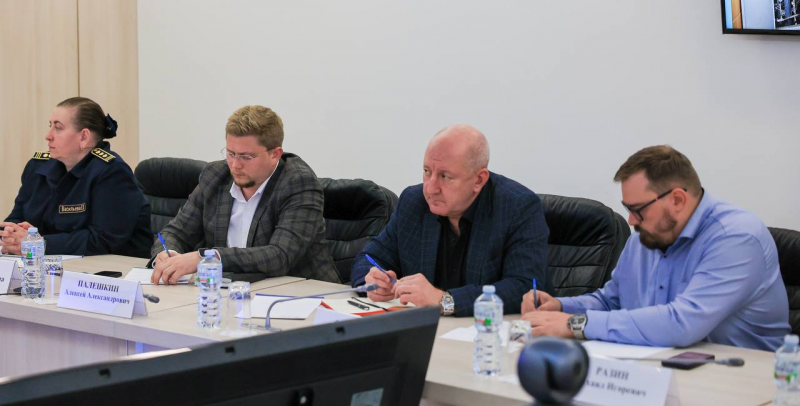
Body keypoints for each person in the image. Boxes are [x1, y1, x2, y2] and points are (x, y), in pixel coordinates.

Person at [522, 145, 790, 351]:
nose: (631, 220)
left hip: (745, 382)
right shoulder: (647, 235)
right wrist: (560, 306)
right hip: (663, 367)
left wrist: (576, 324)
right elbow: (611, 301)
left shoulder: (736, 238)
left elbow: (683, 323)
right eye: (628, 209)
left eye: (638, 209)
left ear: (677, 200)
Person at [350, 125, 549, 317]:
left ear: (479, 180)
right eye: (427, 171)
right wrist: (374, 280)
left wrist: (445, 300)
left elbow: (525, 288)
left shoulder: (517, 207)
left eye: (444, 176)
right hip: (426, 329)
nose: (430, 188)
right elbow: (369, 257)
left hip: (490, 331)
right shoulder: (414, 202)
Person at [150, 105, 339, 284]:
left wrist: (207, 258)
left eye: (246, 157)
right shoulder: (215, 176)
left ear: (275, 154)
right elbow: (175, 232)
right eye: (231, 153)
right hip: (231, 291)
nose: (235, 165)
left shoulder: (298, 184)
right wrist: (166, 255)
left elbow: (280, 256)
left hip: (304, 295)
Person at [1, 97, 152, 258]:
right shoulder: (37, 167)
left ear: (84, 137)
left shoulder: (112, 173)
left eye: (58, 128)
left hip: (109, 268)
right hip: (48, 264)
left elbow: (103, 239)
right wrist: (10, 235)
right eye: (50, 126)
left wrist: (39, 243)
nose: (48, 136)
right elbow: (17, 217)